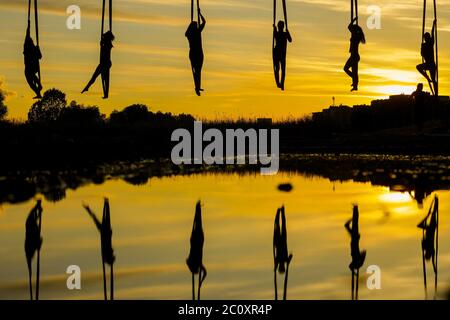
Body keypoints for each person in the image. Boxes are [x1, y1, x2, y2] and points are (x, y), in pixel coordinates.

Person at [82, 31, 115, 99]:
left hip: (105, 63)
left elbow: (105, 50)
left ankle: (105, 94)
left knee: (105, 78)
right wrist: (101, 43)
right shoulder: (106, 43)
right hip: (103, 63)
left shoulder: (108, 44)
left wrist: (101, 44)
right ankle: (87, 87)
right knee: (96, 76)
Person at [185, 10, 206, 96]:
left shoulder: (189, 34)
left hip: (193, 54)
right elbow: (204, 22)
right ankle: (197, 87)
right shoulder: (197, 32)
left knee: (197, 71)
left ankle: (197, 86)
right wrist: (200, 14)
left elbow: (186, 32)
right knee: (198, 71)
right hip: (198, 53)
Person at [186, 201, 207, 285]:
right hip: (196, 240)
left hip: (196, 240)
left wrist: (201, 281)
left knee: (197, 223)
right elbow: (205, 272)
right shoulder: (197, 262)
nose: (199, 269)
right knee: (198, 223)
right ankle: (198, 208)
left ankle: (198, 208)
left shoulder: (196, 262)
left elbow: (205, 272)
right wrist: (201, 282)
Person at [344, 18, 366, 92]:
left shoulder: (355, 36)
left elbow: (349, 27)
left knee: (348, 69)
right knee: (353, 71)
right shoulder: (357, 36)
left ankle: (355, 82)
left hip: (354, 56)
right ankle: (355, 83)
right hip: (354, 55)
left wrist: (353, 20)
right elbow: (350, 28)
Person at [417, 20, 437, 95]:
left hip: (431, 64)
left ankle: (436, 93)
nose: (426, 39)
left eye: (427, 37)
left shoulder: (431, 42)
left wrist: (433, 25)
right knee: (418, 67)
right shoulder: (424, 45)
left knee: (434, 80)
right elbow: (422, 54)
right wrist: (422, 48)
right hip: (428, 64)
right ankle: (427, 77)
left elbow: (432, 33)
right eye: (425, 38)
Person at [417, 200, 438, 274]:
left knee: (419, 225)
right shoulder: (431, 251)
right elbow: (433, 261)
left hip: (429, 230)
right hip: (431, 229)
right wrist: (434, 269)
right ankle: (435, 203)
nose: (427, 254)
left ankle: (428, 215)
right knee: (434, 214)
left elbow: (422, 240)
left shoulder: (426, 249)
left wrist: (423, 242)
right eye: (427, 255)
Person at [345, 205, 366, 271]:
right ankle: (355, 209)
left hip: (354, 238)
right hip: (355, 238)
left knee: (351, 224)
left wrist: (354, 272)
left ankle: (355, 209)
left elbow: (350, 266)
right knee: (354, 224)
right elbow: (363, 253)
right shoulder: (357, 258)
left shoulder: (355, 258)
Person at [23, 25, 43, 99]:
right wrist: (38, 49)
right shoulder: (34, 48)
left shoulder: (27, 46)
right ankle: (39, 90)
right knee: (32, 76)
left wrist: (28, 26)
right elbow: (40, 57)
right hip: (34, 68)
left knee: (30, 81)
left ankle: (39, 88)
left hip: (29, 67)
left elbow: (27, 34)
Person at [273, 21, 292, 91]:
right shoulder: (282, 34)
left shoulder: (281, 34)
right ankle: (279, 83)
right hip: (279, 54)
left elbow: (290, 40)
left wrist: (287, 32)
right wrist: (287, 32)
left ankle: (280, 83)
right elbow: (290, 40)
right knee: (279, 69)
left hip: (280, 54)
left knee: (280, 69)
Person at [273, 206, 292, 273]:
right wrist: (288, 262)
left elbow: (290, 256)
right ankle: (281, 211)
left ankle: (279, 211)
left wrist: (275, 267)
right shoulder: (283, 260)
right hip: (282, 241)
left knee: (278, 225)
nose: (282, 266)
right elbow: (291, 255)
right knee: (281, 225)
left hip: (278, 241)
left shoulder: (281, 260)